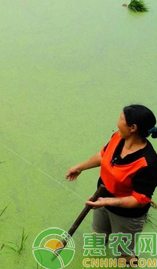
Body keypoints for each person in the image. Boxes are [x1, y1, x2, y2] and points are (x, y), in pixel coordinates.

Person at [66, 105, 157, 264]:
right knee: (99, 234)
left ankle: (130, 262)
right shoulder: (118, 138)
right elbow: (103, 156)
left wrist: (108, 202)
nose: (117, 122)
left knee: (123, 254)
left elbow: (139, 199)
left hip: (127, 215)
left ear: (133, 128)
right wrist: (80, 167)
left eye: (121, 119)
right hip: (101, 199)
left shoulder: (147, 163)